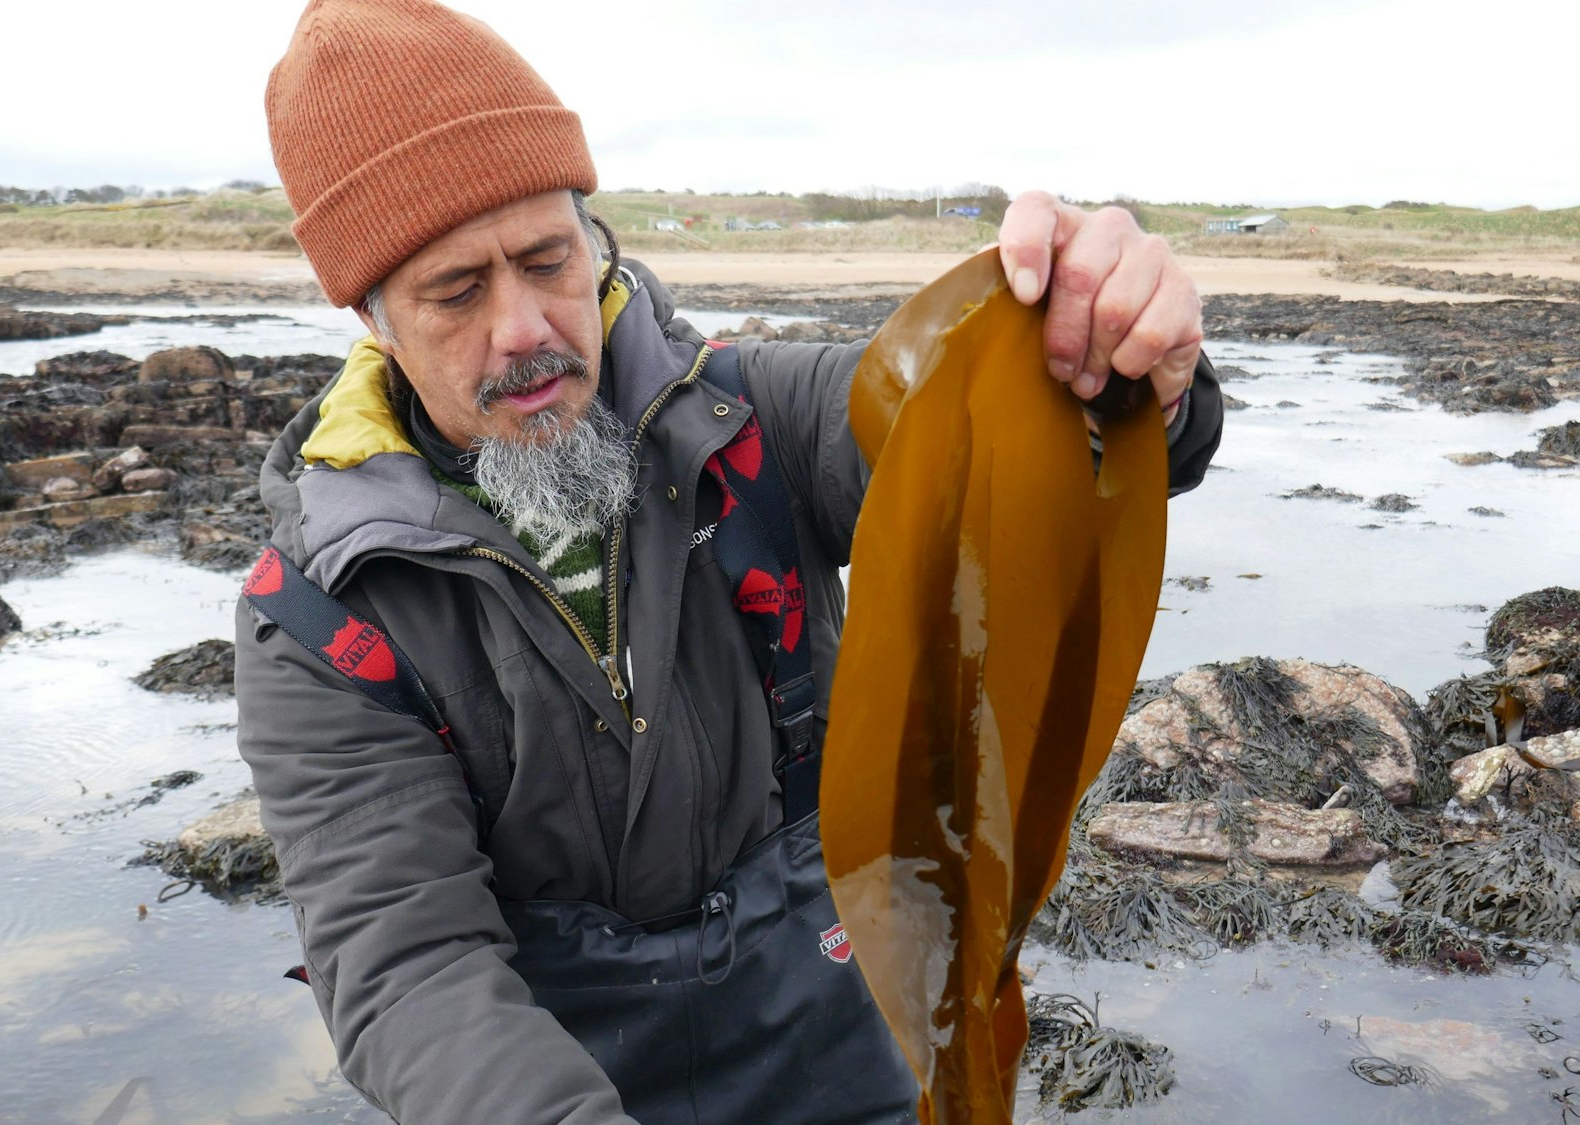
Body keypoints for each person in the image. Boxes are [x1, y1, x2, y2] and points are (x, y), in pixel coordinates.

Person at [238, 1, 1225, 1122]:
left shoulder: (750, 422)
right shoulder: (323, 614)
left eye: (548, 260)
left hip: (843, 1044)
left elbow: (996, 433)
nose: (524, 328)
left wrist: (1124, 367)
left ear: (592, 241)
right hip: (556, 1079)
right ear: (374, 319)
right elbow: (412, 971)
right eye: (457, 292)